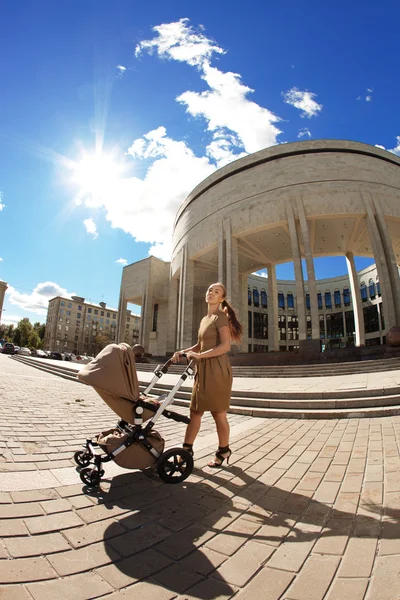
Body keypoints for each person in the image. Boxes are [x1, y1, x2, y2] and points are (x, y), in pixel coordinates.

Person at [172, 282, 243, 467]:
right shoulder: (205, 319)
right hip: (202, 370)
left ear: (222, 298)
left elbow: (225, 346)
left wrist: (199, 356)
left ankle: (224, 450)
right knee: (195, 411)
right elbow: (199, 346)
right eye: (210, 289)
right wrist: (182, 352)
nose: (211, 292)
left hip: (217, 370)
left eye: (216, 291)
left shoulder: (220, 317)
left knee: (218, 413)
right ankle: (186, 451)